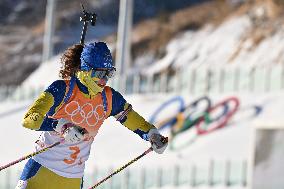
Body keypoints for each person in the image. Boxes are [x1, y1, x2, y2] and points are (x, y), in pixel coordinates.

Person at [15, 42, 168, 189]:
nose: (104, 79)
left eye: (108, 73)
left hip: (73, 181)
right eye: (99, 73)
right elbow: (29, 119)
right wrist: (60, 125)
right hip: (41, 173)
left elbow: (136, 122)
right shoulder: (62, 89)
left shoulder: (109, 99)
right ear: (85, 69)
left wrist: (152, 135)